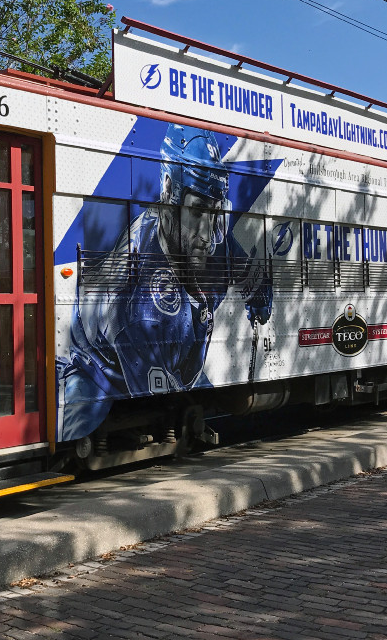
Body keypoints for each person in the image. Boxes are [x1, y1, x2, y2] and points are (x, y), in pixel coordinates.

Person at [57, 123, 273, 442]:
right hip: (98, 373)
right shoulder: (135, 304)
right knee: (79, 420)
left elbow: (244, 269)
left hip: (168, 356)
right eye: (198, 210)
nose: (206, 232)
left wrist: (258, 290)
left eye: (214, 213)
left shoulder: (204, 238)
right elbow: (168, 385)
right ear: (170, 189)